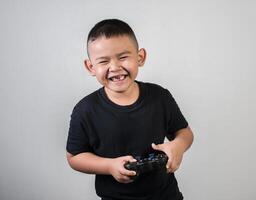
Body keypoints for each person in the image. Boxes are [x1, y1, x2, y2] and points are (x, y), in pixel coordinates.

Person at [66, 19, 194, 200]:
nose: (115, 67)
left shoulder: (160, 97)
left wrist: (178, 146)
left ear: (140, 57)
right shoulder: (85, 110)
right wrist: (109, 166)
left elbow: (184, 132)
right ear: (90, 67)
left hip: (166, 195)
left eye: (123, 57)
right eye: (103, 61)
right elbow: (74, 157)